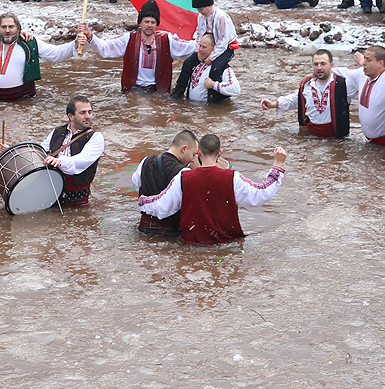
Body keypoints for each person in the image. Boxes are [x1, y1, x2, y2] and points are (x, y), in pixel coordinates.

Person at [137, 134, 285, 244]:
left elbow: (162, 206)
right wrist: (277, 165)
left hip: (192, 246)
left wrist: (143, 200)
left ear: (199, 153)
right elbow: (260, 194)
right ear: (220, 154)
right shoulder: (232, 177)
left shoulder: (183, 178)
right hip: (227, 246)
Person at [84, 0, 194, 94]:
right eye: (146, 22)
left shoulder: (168, 40)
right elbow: (105, 48)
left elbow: (192, 47)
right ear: (140, 23)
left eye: (153, 22)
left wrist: (207, 38)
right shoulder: (128, 39)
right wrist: (90, 36)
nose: (149, 25)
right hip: (133, 91)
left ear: (157, 24)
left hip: (158, 93)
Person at [0, 12, 77, 101]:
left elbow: (55, 54)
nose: (7, 30)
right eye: (3, 27)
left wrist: (75, 44)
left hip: (24, 101)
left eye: (11, 27)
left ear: (18, 28)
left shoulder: (29, 43)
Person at [260, 49, 363, 138]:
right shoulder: (307, 85)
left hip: (337, 138)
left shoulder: (343, 85)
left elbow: (365, 83)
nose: (319, 68)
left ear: (331, 65)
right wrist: (274, 104)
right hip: (311, 138)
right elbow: (295, 99)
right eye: (316, 64)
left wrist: (362, 63)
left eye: (323, 64)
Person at [131, 129, 198, 237]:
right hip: (169, 233)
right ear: (184, 149)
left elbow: (136, 183)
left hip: (143, 227)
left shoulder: (145, 161)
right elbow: (167, 208)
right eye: (193, 154)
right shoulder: (183, 173)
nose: (193, 160)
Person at [40, 96, 104, 208]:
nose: (88, 116)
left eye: (89, 112)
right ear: (71, 116)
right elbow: (40, 151)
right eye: (83, 113)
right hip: (50, 196)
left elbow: (82, 160)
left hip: (78, 202)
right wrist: (16, 151)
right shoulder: (57, 131)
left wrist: (59, 161)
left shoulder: (95, 137)